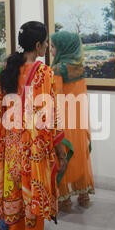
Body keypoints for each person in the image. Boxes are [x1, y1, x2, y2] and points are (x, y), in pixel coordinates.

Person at [0, 21, 68, 230]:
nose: (47, 47)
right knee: (34, 196)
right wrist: (61, 152)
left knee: (16, 193)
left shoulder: (9, 68)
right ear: (37, 45)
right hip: (33, 148)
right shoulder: (42, 72)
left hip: (12, 145)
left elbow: (0, 112)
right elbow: (48, 118)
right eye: (46, 43)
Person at [50, 31, 95, 212]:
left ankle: (64, 200)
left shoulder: (58, 70)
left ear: (63, 48)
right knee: (79, 156)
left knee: (62, 157)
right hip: (79, 120)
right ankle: (83, 195)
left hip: (64, 123)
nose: (51, 51)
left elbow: (55, 99)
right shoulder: (79, 67)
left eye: (53, 46)